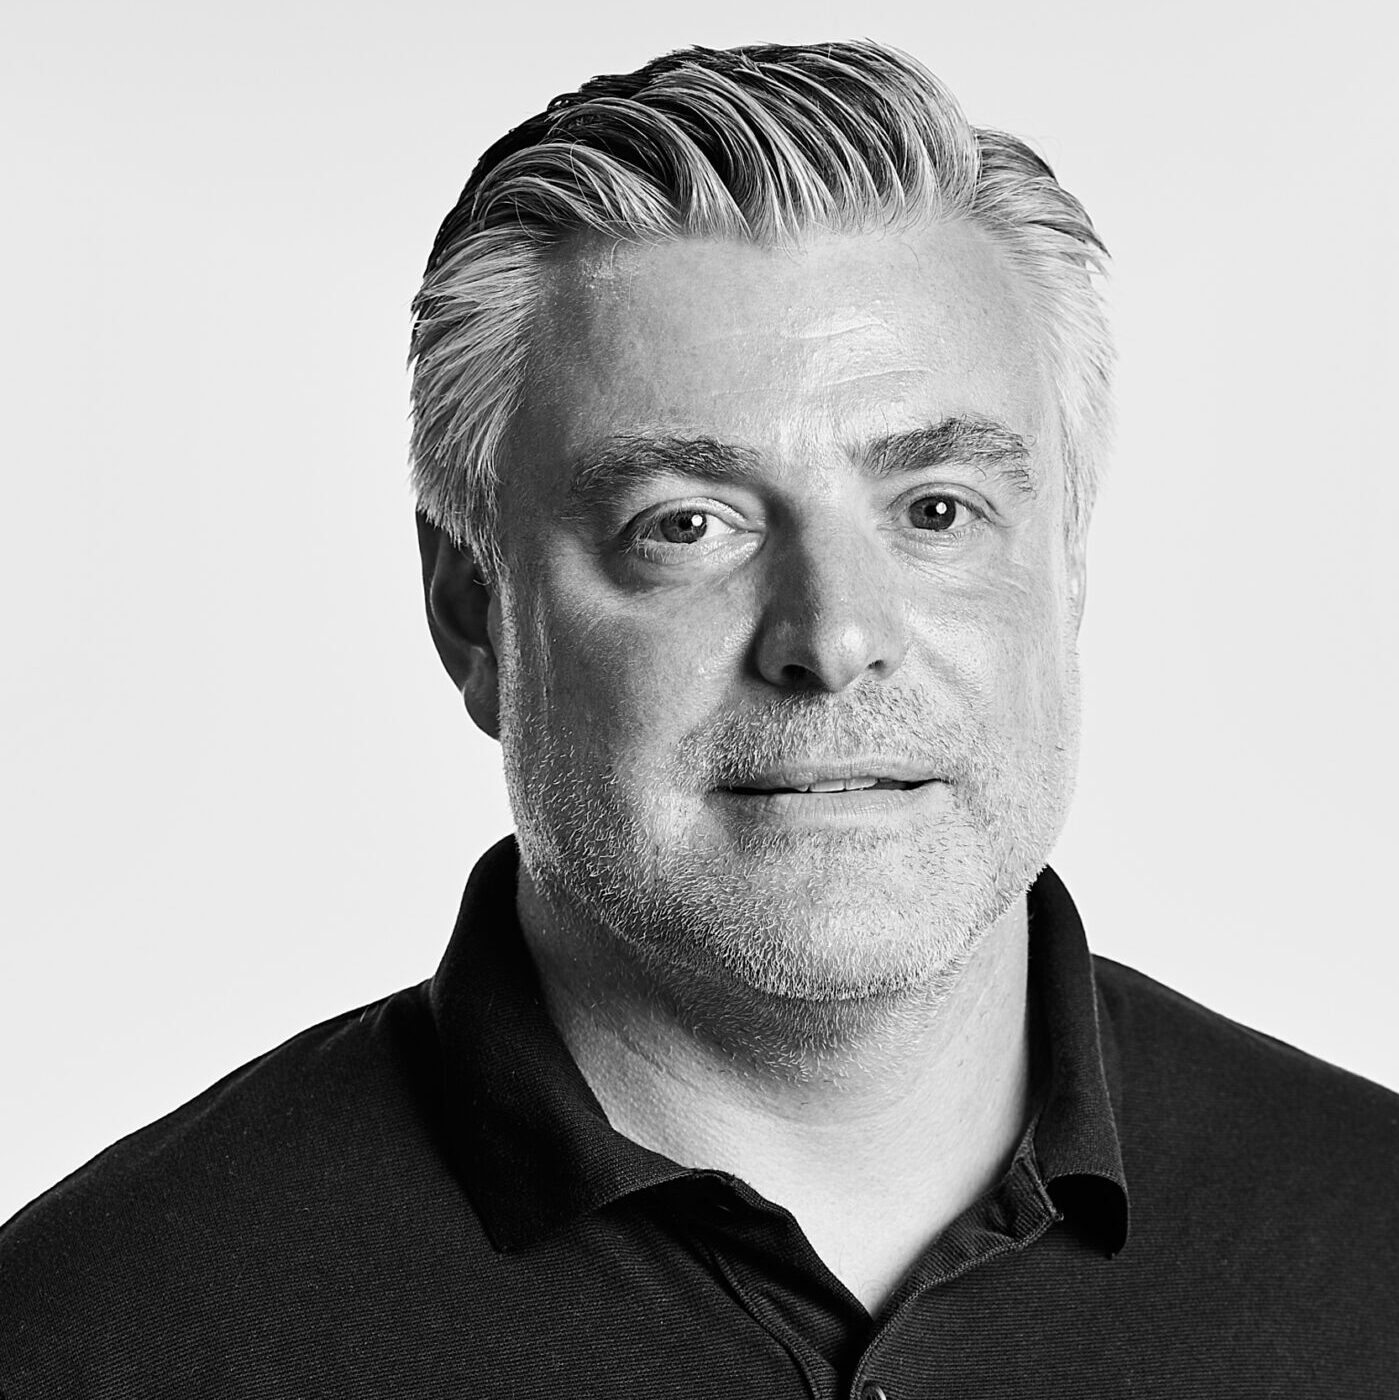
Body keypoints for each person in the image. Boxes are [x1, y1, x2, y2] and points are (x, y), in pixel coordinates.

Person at [2, 39, 1395, 1399]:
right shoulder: (95, 1339)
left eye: (936, 510)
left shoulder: (1373, 1242)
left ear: (1068, 575)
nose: (832, 639)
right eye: (686, 525)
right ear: (475, 613)